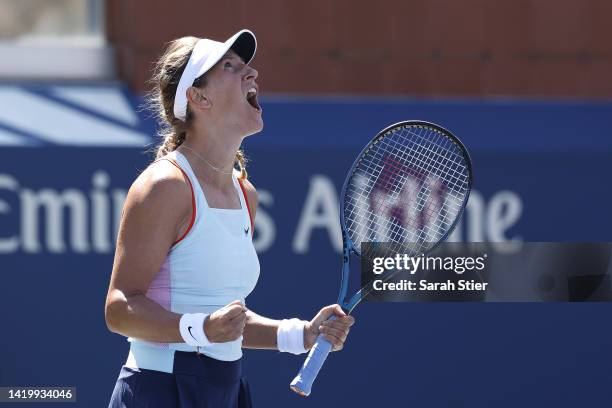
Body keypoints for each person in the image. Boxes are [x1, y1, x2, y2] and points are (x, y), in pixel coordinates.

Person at [105, 29, 355, 407]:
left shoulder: (244, 194)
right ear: (198, 96)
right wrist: (199, 329)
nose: (251, 74)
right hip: (159, 388)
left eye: (246, 66)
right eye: (230, 66)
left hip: (226, 390)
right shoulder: (164, 186)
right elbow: (120, 308)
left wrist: (301, 334)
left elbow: (228, 321)